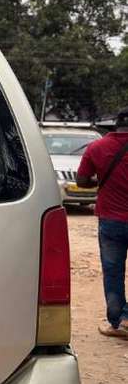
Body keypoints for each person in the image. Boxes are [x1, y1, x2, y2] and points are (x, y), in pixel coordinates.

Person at [77, 109, 128, 338]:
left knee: (113, 272)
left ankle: (119, 323)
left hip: (111, 221)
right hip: (112, 219)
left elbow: (81, 180)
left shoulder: (96, 148)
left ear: (116, 124)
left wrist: (100, 181)